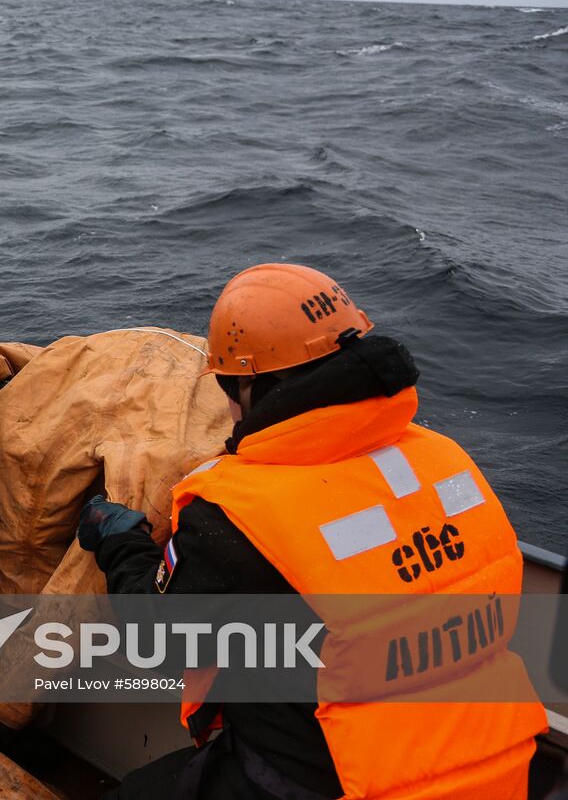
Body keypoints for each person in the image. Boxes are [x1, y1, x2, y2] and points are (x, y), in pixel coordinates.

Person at [74, 263, 547, 799]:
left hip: (346, 785)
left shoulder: (239, 511)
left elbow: (156, 636)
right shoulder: (446, 458)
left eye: (227, 386)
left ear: (250, 386)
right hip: (500, 768)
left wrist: (120, 540)